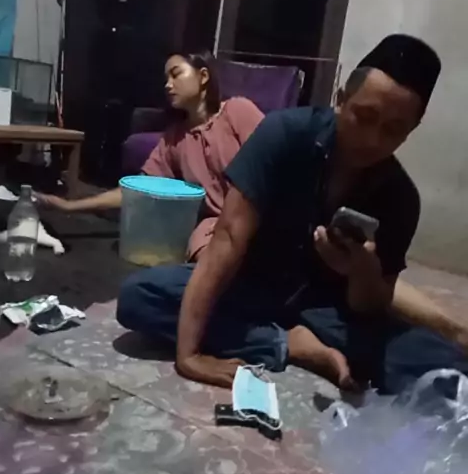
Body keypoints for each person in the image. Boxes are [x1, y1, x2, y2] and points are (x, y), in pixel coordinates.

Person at [117, 34, 468, 393]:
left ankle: (285, 338)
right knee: (140, 297)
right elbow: (227, 241)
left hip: (326, 309)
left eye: (393, 130)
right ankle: (289, 344)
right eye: (364, 117)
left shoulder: (401, 197)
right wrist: (189, 355)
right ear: (341, 99)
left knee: (441, 363)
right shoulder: (285, 134)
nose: (372, 140)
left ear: (411, 130)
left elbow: (366, 305)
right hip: (251, 286)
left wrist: (361, 272)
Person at [38, 51, 264, 261]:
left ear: (203, 76)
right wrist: (69, 206)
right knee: (198, 246)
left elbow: (275, 160)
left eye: (176, 74)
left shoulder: (237, 111)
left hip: (258, 218)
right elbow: (136, 191)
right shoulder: (174, 138)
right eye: (166, 79)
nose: (168, 84)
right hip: (215, 227)